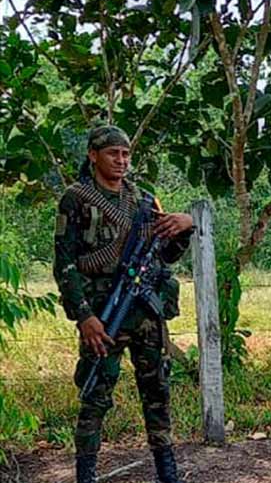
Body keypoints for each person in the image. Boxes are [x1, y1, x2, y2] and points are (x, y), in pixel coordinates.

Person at [53, 125, 194, 483]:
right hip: (103, 316)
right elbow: (64, 263)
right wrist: (84, 316)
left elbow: (168, 254)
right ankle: (86, 474)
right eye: (113, 153)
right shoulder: (76, 199)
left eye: (126, 154)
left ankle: (167, 473)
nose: (121, 160)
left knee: (157, 393)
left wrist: (185, 226)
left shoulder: (144, 200)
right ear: (93, 155)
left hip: (145, 314)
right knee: (95, 396)